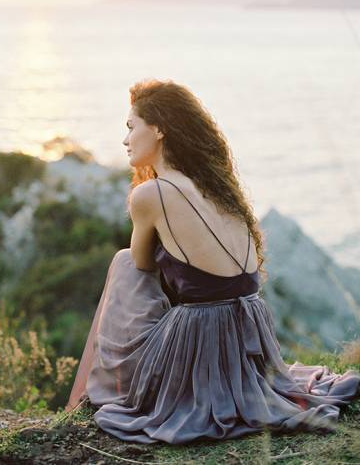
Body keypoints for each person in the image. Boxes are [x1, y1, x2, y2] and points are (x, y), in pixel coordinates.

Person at [65, 78, 360, 444]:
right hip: (250, 334)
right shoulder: (216, 187)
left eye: (130, 127)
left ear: (158, 129)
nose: (125, 140)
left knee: (124, 262)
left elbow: (141, 267)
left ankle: (103, 389)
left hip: (203, 336)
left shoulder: (151, 194)